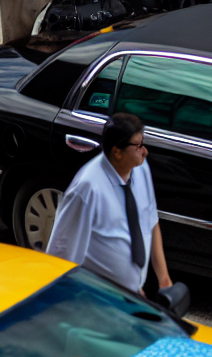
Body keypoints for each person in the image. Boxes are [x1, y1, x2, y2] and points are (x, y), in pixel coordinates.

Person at [45, 113, 173, 297]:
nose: (145, 152)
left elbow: (151, 222)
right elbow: (61, 256)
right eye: (138, 146)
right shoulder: (87, 189)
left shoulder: (141, 169)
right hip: (98, 298)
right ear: (117, 151)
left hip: (130, 297)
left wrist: (164, 280)